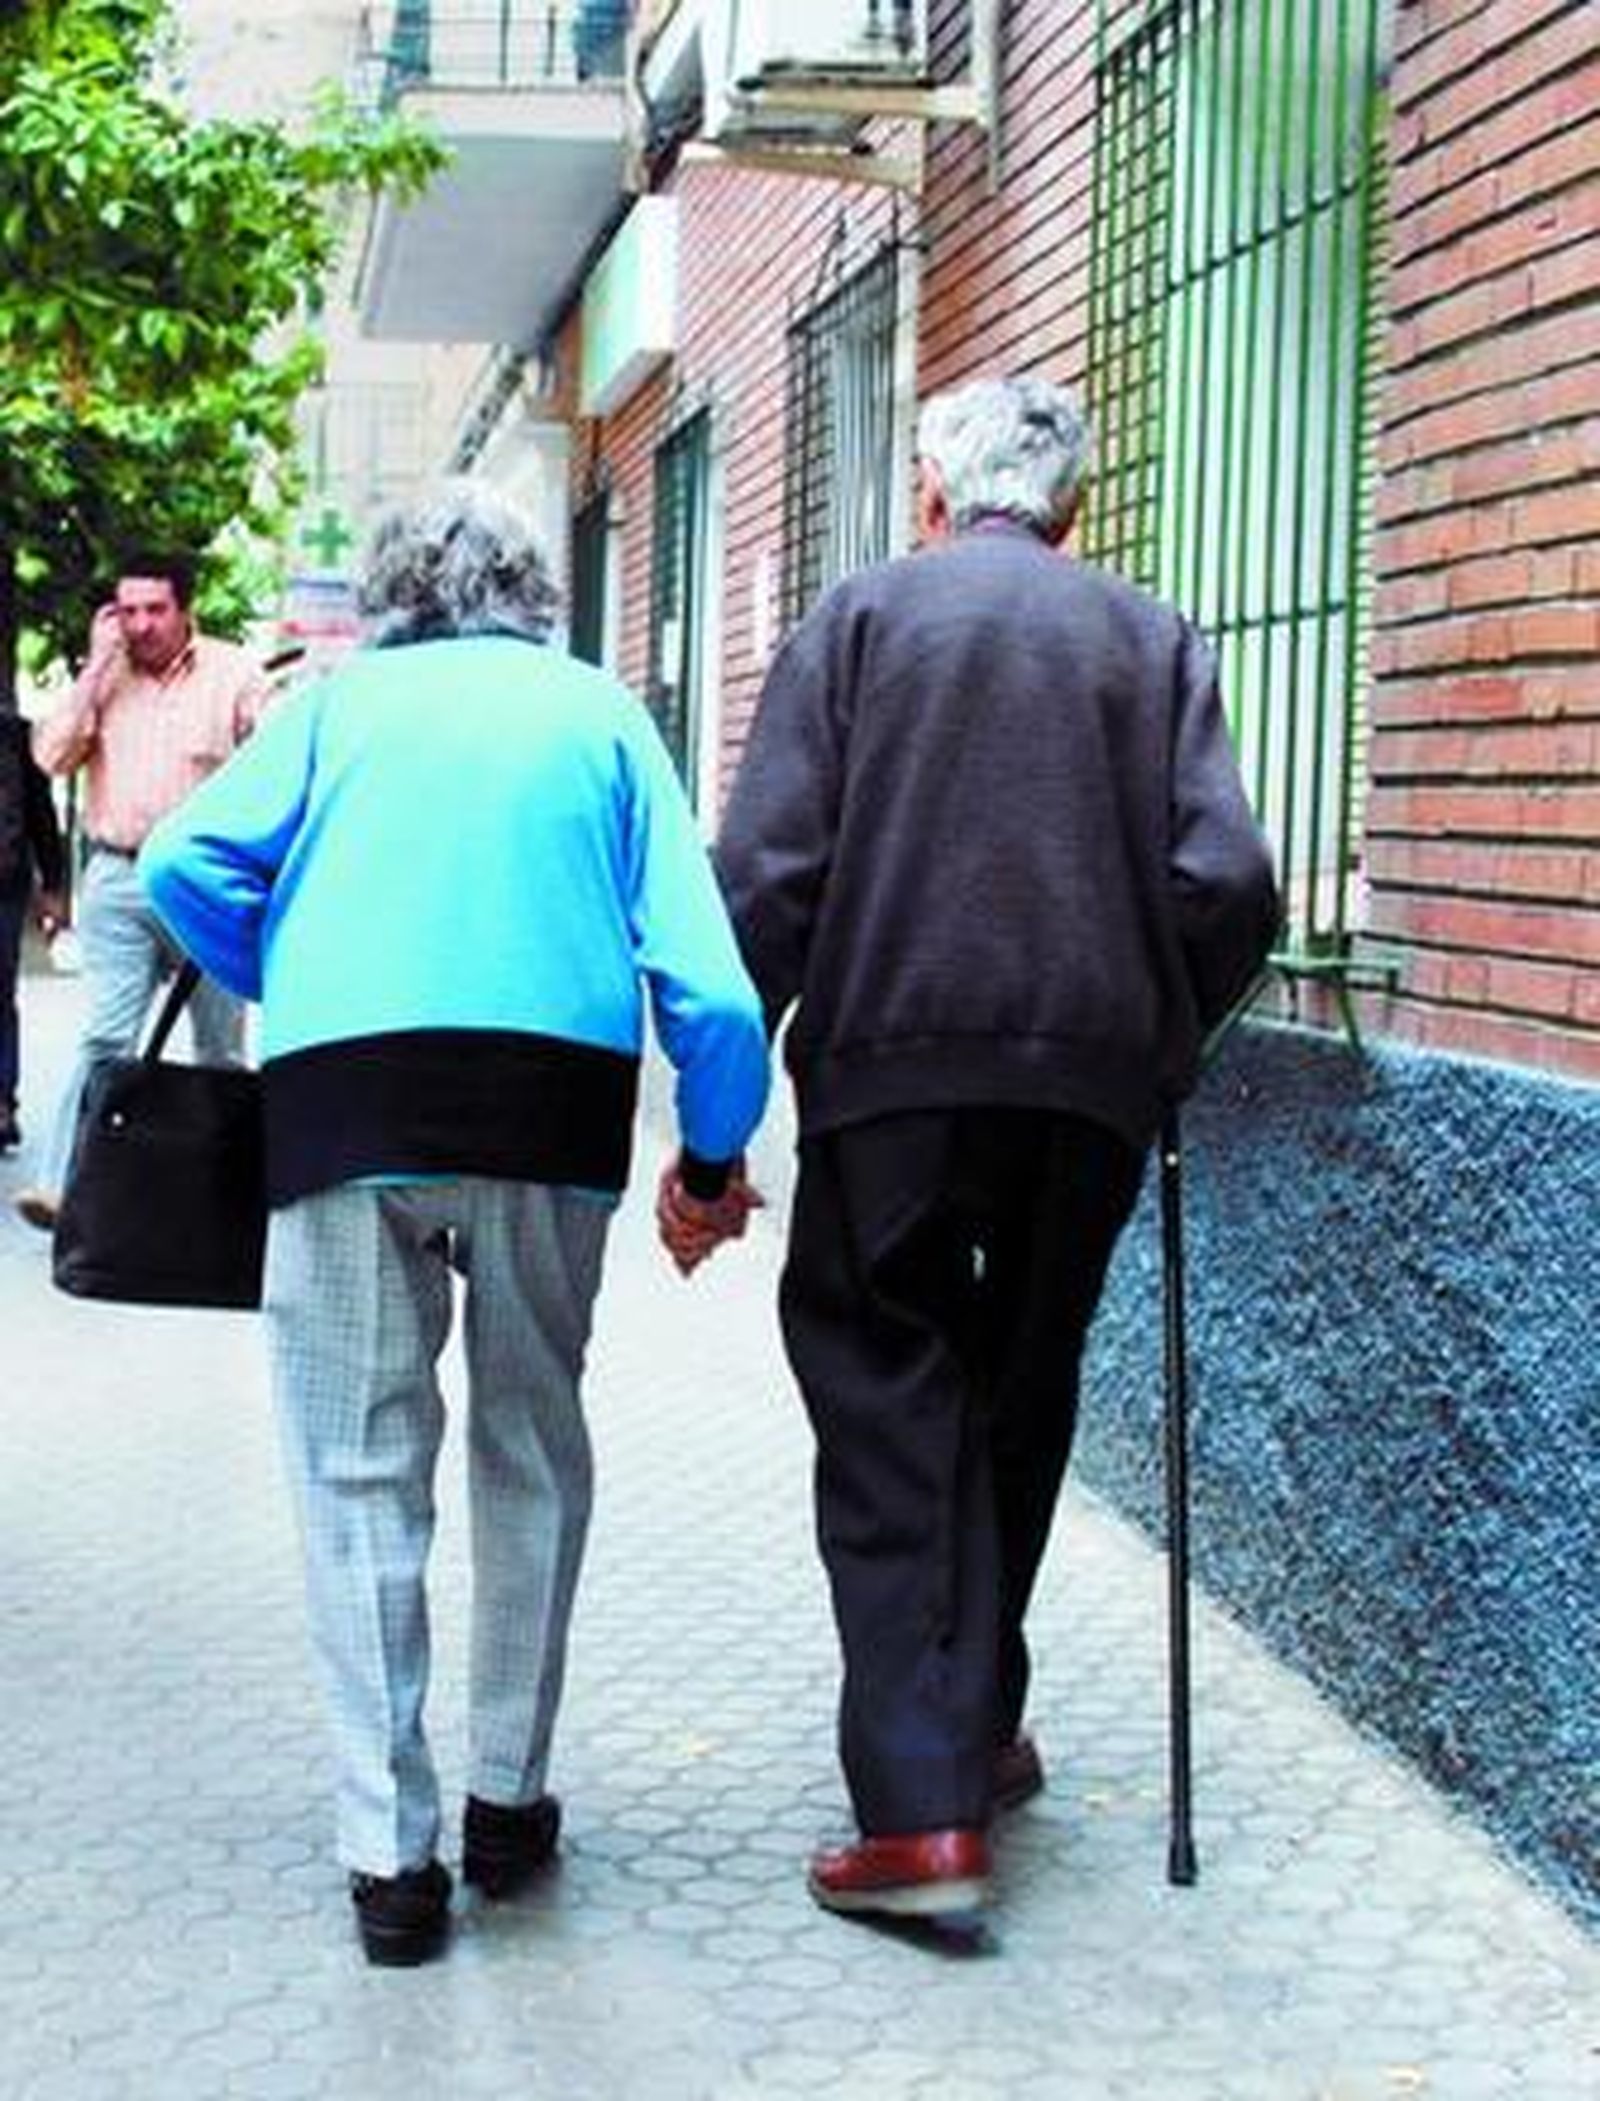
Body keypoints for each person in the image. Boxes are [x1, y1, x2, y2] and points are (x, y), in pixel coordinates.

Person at [667, 375, 1278, 1927]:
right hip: (1088, 1094)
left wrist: (714, 1132)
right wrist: (1161, 1032)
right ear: (1066, 511)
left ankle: (922, 1812)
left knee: (890, 1400)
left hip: (892, 1081)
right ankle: (978, 1724)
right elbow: (1229, 883)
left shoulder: (862, 621)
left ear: (932, 497)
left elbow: (762, 885)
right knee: (1016, 1387)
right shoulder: (1152, 642)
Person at [139, 480, 770, 1968]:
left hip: (349, 1106)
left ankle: (390, 1858)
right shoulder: (602, 714)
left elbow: (179, 866)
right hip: (553, 1113)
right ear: (533, 592)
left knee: (359, 1468)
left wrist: (289, 979)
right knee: (532, 1439)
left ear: (391, 595)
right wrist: (715, 1157)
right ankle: (506, 1797)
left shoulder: (334, 709)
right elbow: (720, 992)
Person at [15, 555, 269, 1227]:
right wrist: (96, 670)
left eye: (155, 609)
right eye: (127, 611)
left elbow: (272, 762)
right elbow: (47, 756)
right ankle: (64, 1184)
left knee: (218, 1048)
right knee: (106, 1037)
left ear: (185, 608)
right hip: (120, 875)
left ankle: (226, 1192)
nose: (141, 624)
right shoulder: (106, 676)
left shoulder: (234, 673)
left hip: (206, 880)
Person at [0, 710, 70, 1153]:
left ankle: (2, 1102)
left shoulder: (16, 735)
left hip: (3, 885)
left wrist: (54, 887)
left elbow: (41, 812)